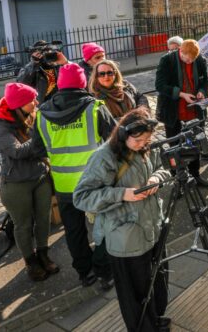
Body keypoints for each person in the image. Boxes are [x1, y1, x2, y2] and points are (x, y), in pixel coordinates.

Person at [73, 109, 171, 332]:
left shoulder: (146, 147)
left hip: (152, 228)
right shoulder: (104, 157)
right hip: (125, 238)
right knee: (134, 293)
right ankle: (144, 327)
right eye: (138, 140)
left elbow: (164, 168)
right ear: (123, 134)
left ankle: (155, 319)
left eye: (147, 140)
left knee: (155, 283)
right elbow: (81, 197)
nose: (143, 144)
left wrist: (157, 177)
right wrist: (122, 194)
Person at [32, 63, 115, 288]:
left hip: (64, 185)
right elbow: (114, 141)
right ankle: (103, 271)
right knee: (106, 225)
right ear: (82, 82)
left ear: (59, 84)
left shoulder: (41, 115)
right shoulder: (95, 107)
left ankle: (84, 273)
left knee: (74, 231)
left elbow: (37, 150)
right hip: (94, 182)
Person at [0, 82, 57, 282]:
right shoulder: (0, 125)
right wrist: (40, 136)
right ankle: (31, 261)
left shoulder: (32, 115)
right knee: (23, 225)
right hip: (16, 183)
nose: (36, 103)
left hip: (40, 176)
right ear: (19, 105)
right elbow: (16, 152)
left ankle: (43, 254)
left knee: (43, 218)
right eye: (31, 101)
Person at [154, 39, 208, 186]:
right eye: (187, 59)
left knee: (195, 144)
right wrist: (181, 94)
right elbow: (160, 85)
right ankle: (179, 181)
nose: (190, 62)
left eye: (192, 59)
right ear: (181, 51)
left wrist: (201, 92)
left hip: (193, 110)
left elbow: (204, 81)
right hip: (174, 111)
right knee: (174, 146)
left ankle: (195, 175)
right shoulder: (167, 60)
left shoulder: (199, 59)